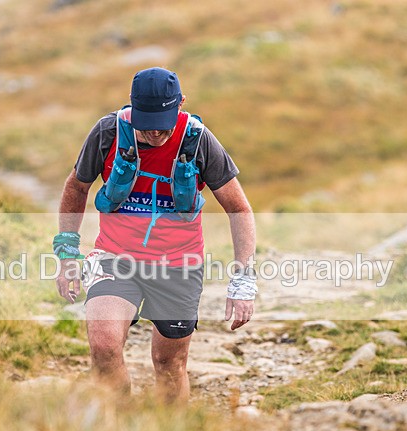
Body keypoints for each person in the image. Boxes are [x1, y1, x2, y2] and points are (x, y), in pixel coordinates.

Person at [54, 67, 256, 404]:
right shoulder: (108, 132)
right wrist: (67, 254)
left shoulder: (199, 140)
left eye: (162, 123)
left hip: (178, 266)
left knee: (169, 363)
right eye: (145, 122)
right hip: (115, 258)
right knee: (103, 345)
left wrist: (244, 280)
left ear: (181, 105)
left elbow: (239, 209)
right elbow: (76, 186)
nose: (154, 133)